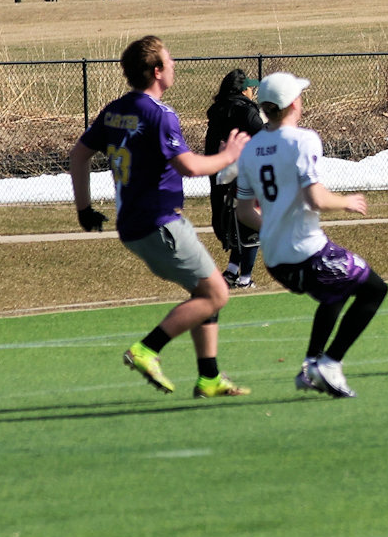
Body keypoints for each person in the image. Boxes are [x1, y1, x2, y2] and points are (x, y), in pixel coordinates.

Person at [68, 36, 252, 398]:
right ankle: (147, 349)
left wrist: (84, 210)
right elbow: (189, 167)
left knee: (203, 290)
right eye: (169, 60)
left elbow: (78, 156)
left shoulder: (114, 110)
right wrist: (229, 156)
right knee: (217, 294)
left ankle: (209, 377)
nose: (174, 66)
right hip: (161, 223)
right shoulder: (160, 114)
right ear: (156, 71)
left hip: (133, 226)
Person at [234, 72, 388, 400]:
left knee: (336, 289)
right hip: (306, 251)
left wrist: (273, 229)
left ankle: (310, 366)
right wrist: (346, 202)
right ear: (293, 103)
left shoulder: (250, 150)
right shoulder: (302, 140)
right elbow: (315, 198)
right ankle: (329, 364)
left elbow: (244, 212)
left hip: (275, 259)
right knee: (374, 289)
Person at [206, 69, 265, 289]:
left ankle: (232, 271)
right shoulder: (246, 110)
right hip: (245, 172)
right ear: (242, 90)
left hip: (221, 173)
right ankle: (245, 278)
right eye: (250, 88)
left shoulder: (218, 110)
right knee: (252, 223)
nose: (253, 92)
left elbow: (211, 146)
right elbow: (264, 135)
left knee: (236, 224)